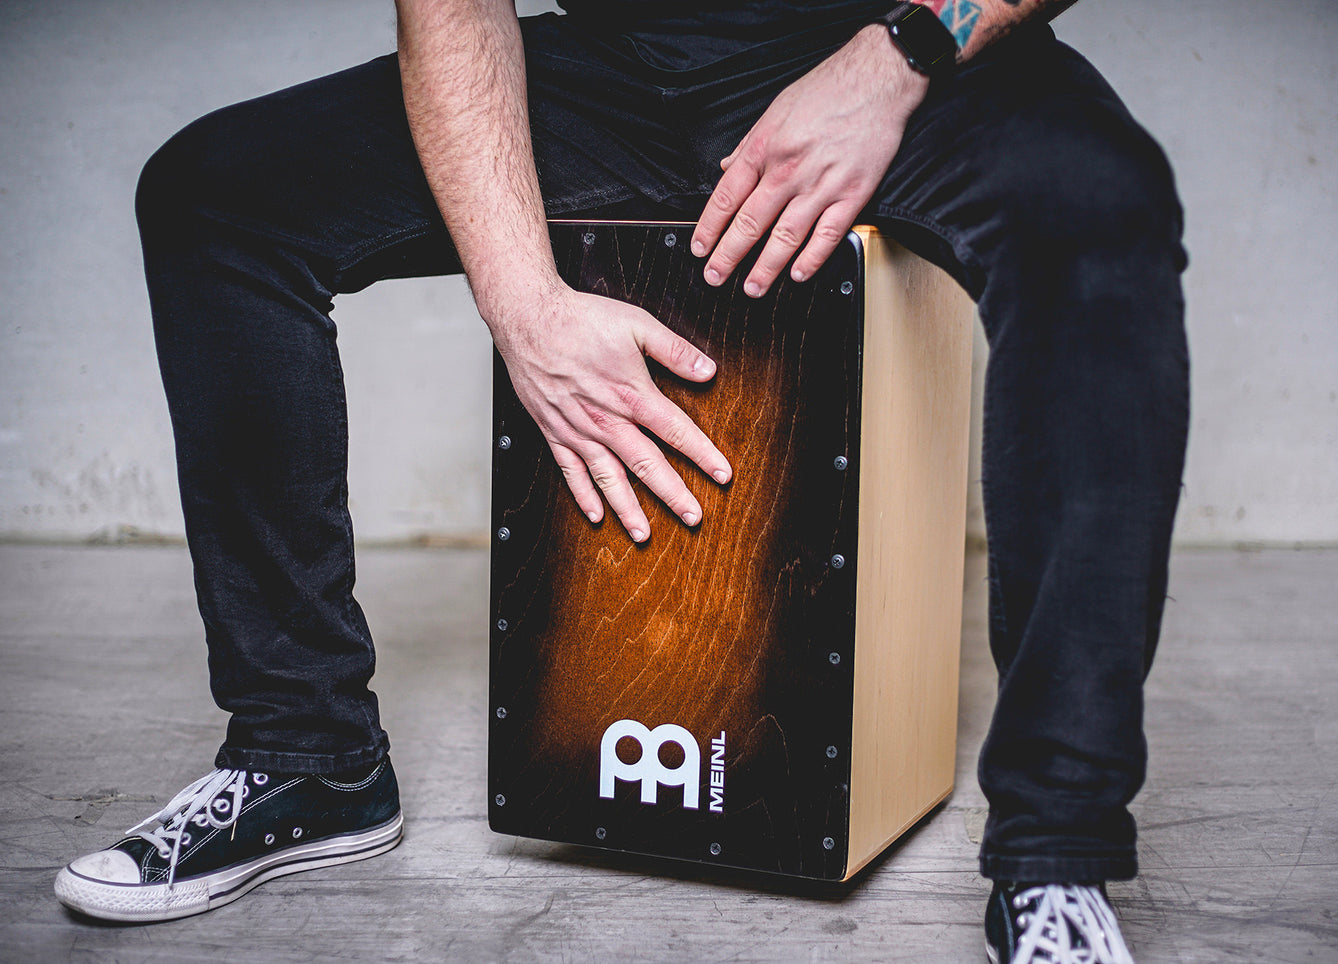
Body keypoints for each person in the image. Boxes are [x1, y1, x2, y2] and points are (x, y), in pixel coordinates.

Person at [54, 0, 1186, 959]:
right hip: (619, 67)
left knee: (1096, 205)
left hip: (893, 44)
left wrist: (895, 57)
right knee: (214, 199)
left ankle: (1052, 856)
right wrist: (523, 307)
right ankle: (307, 758)